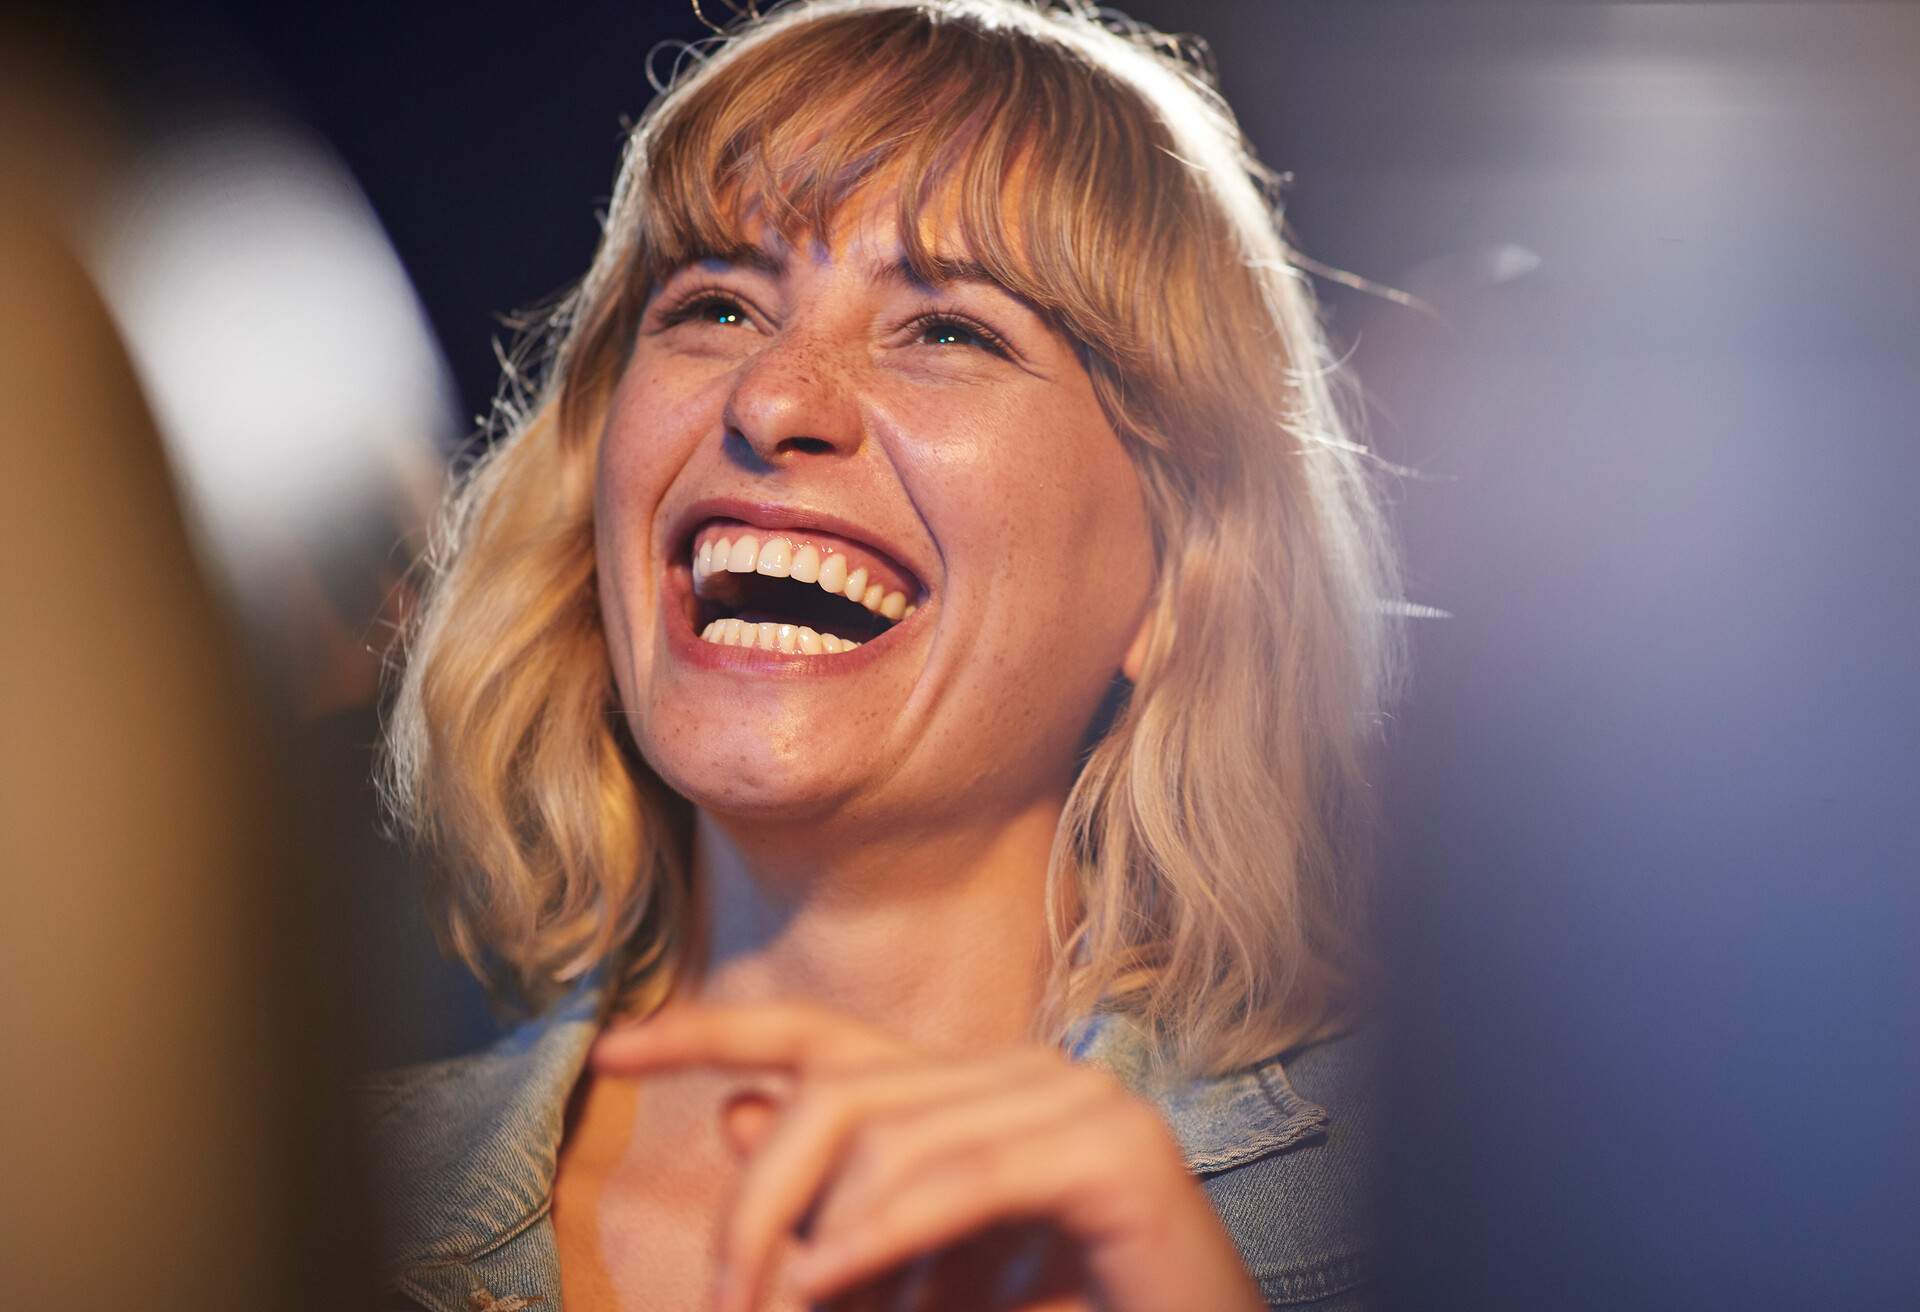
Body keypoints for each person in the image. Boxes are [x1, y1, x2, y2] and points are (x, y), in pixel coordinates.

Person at [361, 1, 1401, 1308]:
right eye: (717, 305)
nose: (774, 399)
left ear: (1181, 585)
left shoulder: (1451, 1211)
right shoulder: (277, 1200)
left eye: (949, 329)